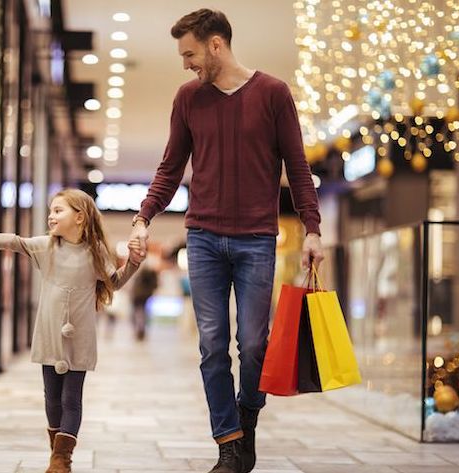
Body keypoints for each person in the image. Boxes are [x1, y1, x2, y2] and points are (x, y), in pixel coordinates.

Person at [128, 9, 324, 473]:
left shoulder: (273, 94)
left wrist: (312, 229)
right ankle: (228, 442)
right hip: (203, 238)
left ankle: (248, 416)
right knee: (212, 345)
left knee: (253, 343)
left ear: (216, 45)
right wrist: (143, 216)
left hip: (258, 240)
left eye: (190, 53)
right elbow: (171, 167)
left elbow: (297, 169)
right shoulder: (188, 99)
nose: (186, 64)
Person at [0, 188, 145, 473]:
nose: (51, 216)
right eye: (50, 211)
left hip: (80, 339)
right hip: (48, 335)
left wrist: (134, 263)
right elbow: (11, 241)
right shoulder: (46, 247)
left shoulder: (95, 251)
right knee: (52, 398)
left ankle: (61, 460)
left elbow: (114, 282)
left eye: (58, 211)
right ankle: (57, 455)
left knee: (71, 399)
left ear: (80, 217)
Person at [130, 266, 158, 340]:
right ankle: (141, 330)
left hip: (138, 296)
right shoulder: (150, 275)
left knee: (139, 313)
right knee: (141, 313)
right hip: (144, 296)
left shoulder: (141, 275)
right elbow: (155, 285)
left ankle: (140, 330)